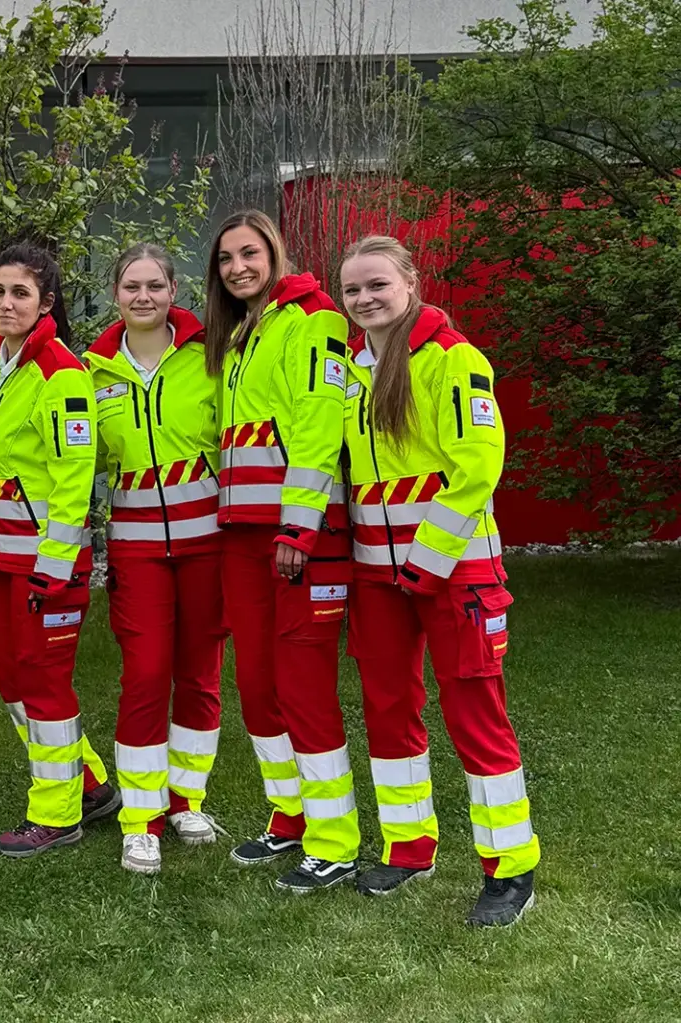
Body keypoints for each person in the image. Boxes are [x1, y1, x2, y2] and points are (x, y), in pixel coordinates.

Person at [337, 235, 538, 925]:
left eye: (376, 285)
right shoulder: (352, 369)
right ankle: (408, 846)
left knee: (474, 716)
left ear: (410, 283)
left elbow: (477, 467)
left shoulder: (456, 360)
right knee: (389, 710)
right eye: (353, 289)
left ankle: (510, 866)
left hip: (456, 573)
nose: (365, 298)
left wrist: (425, 561)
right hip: (375, 578)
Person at [206, 210, 361, 893]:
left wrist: (299, 528)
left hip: (298, 536)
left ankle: (335, 838)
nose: (238, 266)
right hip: (240, 534)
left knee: (301, 686)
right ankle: (290, 813)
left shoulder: (314, 319)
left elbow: (318, 424)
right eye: (226, 259)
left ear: (274, 251)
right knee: (258, 684)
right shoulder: (242, 333)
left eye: (249, 252)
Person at [85, 243, 227, 874]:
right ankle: (139, 816)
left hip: (208, 544)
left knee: (199, 672)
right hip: (137, 548)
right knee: (145, 674)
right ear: (114, 293)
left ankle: (185, 798)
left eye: (155, 286)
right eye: (131, 287)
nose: (143, 297)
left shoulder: (211, 356)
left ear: (175, 290)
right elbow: (81, 462)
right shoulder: (91, 373)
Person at [0, 242, 108, 857]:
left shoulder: (62, 374)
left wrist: (53, 570)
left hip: (46, 565)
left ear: (46, 302)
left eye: (20, 293)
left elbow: (75, 479)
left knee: (44, 682)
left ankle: (55, 814)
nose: (6, 303)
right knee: (8, 674)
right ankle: (93, 784)